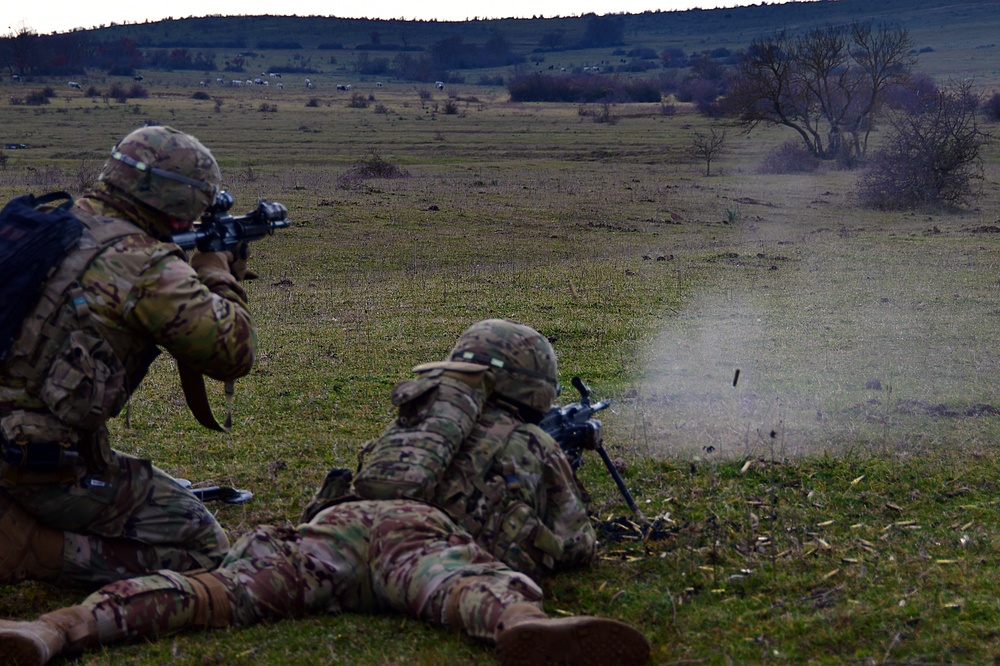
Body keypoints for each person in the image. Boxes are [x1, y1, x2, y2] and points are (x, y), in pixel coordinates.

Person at [0, 320, 650, 666]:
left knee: (217, 593)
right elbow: (573, 540)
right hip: (418, 543)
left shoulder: (421, 422)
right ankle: (526, 626)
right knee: (462, 586)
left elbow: (371, 477)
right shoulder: (533, 444)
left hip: (337, 530)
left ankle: (57, 629)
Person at [0, 125, 256, 589]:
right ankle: (32, 548)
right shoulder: (143, 264)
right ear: (178, 200)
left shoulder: (48, 222)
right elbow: (232, 353)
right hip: (37, 461)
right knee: (204, 548)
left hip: (11, 438)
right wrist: (217, 270)